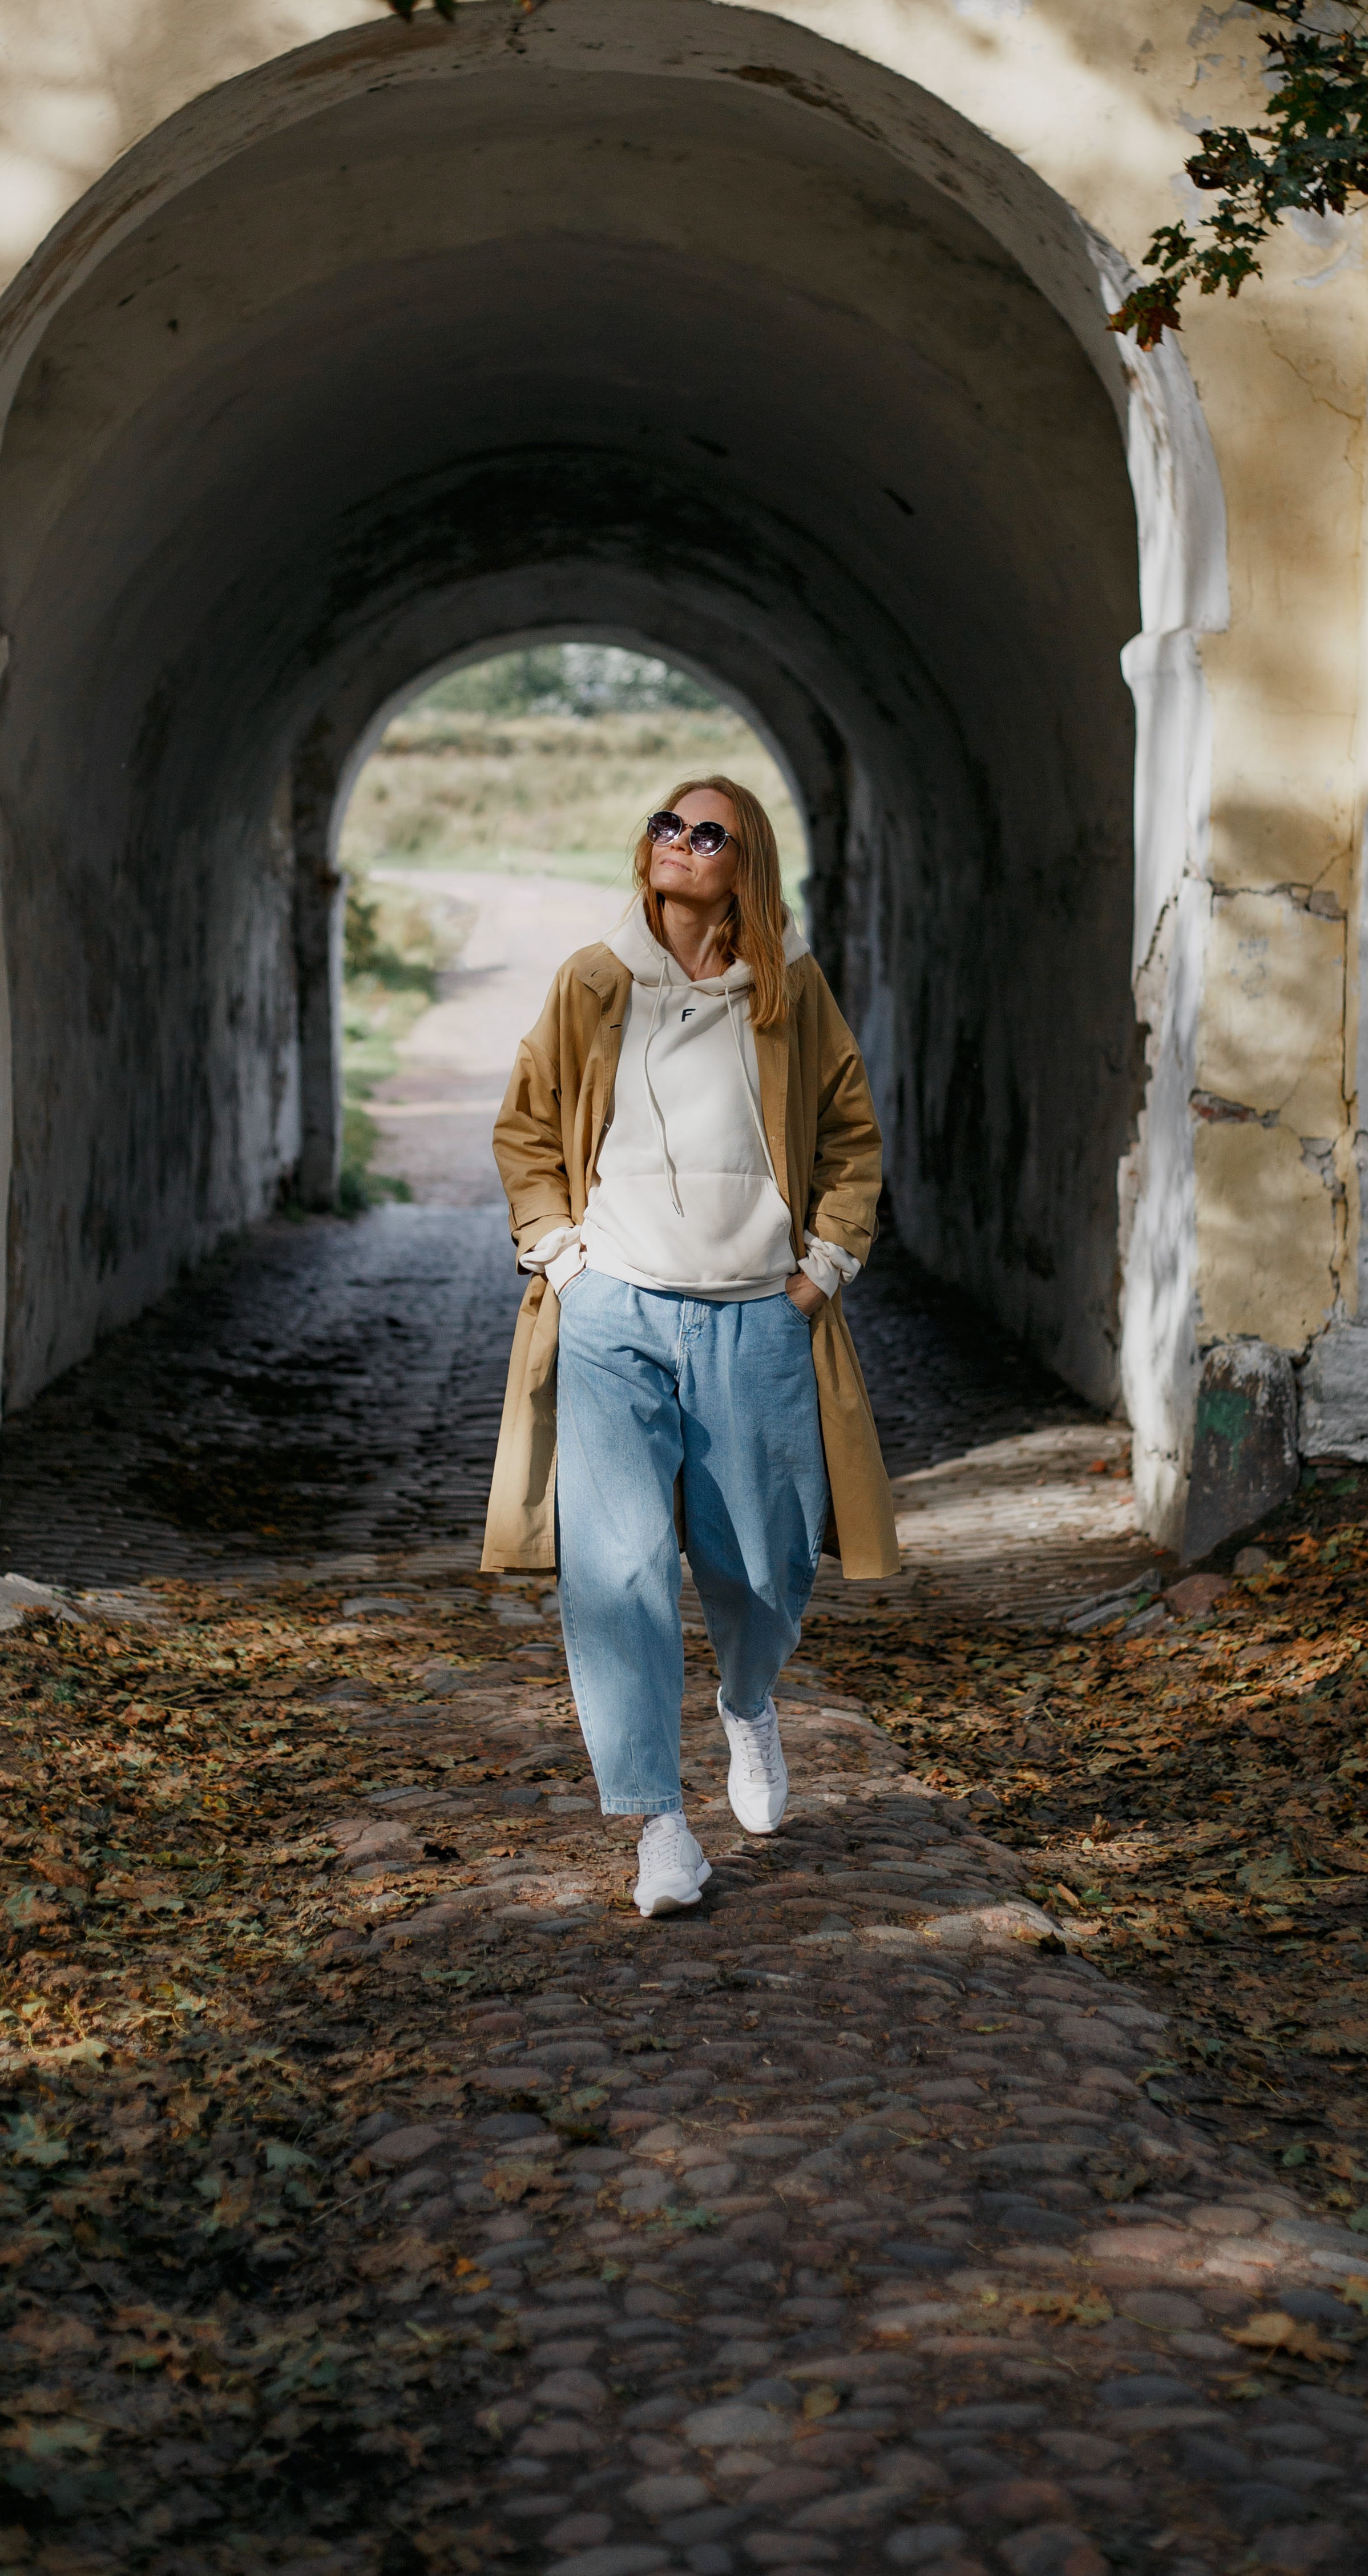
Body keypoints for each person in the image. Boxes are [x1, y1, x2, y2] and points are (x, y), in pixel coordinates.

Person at [486, 776, 901, 1915]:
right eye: (666, 824)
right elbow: (526, 1123)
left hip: (754, 1312)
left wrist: (819, 1271)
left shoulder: (790, 989)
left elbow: (851, 1136)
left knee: (766, 1559)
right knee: (613, 1569)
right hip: (613, 1305)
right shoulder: (592, 980)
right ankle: (659, 1824)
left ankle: (747, 1696)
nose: (678, 841)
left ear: (745, 862)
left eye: (705, 830)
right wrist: (559, 1253)